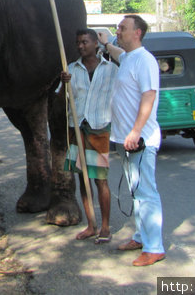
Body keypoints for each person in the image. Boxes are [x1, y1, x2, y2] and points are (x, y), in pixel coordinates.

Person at [101, 15, 166, 267]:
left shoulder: (145, 60)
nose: (118, 31)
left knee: (146, 193)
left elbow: (148, 98)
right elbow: (117, 52)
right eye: (118, 27)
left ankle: (154, 248)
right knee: (136, 192)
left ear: (137, 33)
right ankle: (141, 237)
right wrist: (106, 43)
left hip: (139, 140)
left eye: (122, 28)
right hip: (125, 139)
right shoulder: (128, 57)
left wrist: (136, 131)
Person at [59, 28, 118, 243]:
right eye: (78, 42)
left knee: (100, 180)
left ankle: (105, 227)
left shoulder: (111, 69)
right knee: (83, 180)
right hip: (77, 128)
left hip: (99, 129)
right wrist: (63, 84)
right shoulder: (71, 70)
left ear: (95, 44)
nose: (81, 46)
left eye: (85, 42)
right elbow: (60, 99)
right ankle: (91, 225)